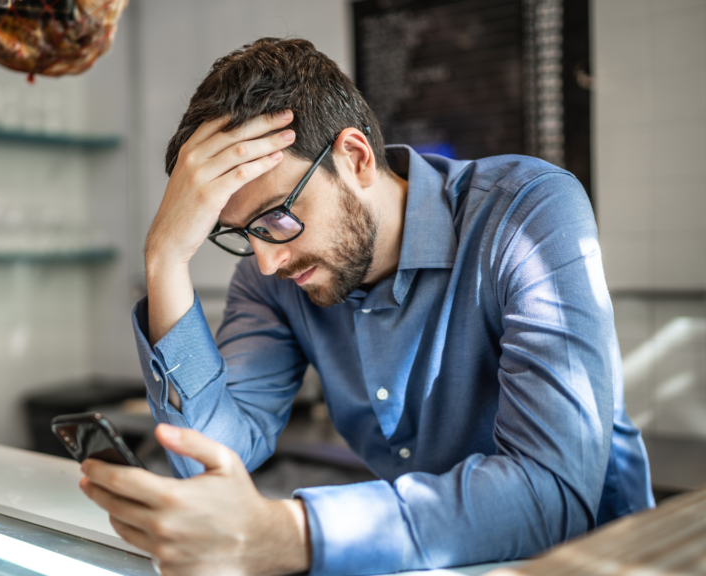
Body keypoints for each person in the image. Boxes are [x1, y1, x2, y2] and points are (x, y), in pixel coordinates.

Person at [78, 38, 654, 576]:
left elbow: (551, 494)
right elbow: (210, 456)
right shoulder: (271, 281)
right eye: (238, 233)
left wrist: (287, 532)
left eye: (278, 217)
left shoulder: (526, 213)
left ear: (354, 159)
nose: (266, 262)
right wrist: (165, 259)